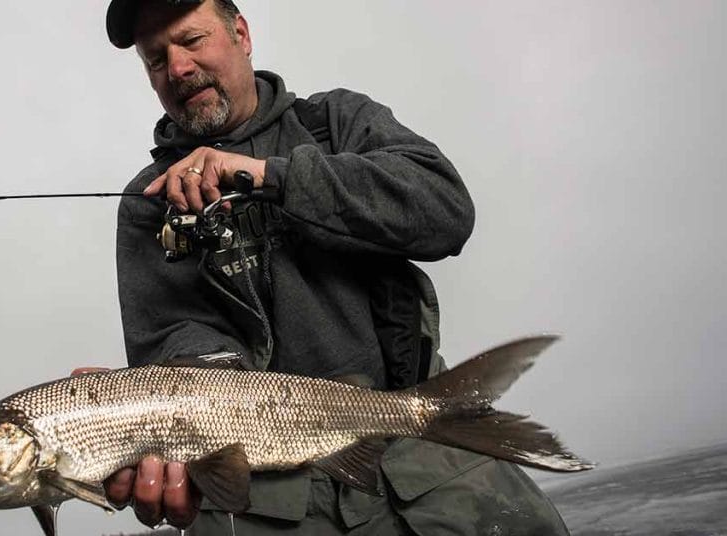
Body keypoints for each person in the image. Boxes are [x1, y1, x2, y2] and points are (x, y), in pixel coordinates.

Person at [102, 0, 570, 533]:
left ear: (242, 35)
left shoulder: (338, 122)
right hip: (260, 500)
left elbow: (446, 212)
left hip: (431, 454)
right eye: (156, 59)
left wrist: (269, 176)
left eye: (191, 40)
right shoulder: (147, 202)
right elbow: (174, 343)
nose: (178, 68)